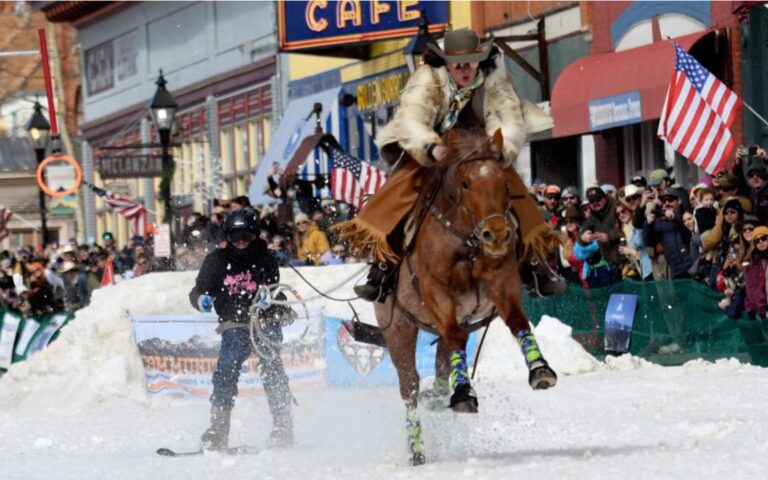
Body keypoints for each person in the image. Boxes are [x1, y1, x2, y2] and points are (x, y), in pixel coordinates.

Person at [336, 28, 563, 301]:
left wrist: (499, 150)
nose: (465, 67)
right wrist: (431, 147)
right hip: (436, 148)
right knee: (397, 192)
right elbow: (412, 119)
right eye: (458, 63)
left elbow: (509, 119)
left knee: (515, 193)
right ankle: (383, 268)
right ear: (447, 63)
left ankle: (534, 266)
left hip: (480, 148)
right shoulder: (427, 79)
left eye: (471, 60)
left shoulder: (495, 80)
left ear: (480, 59)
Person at [189, 209, 295, 450]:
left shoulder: (265, 258)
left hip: (264, 318)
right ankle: (218, 428)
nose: (241, 242)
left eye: (246, 236)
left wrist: (270, 296)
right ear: (227, 237)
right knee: (226, 368)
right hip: (234, 320)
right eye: (236, 237)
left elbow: (273, 285)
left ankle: (282, 424)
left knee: (272, 367)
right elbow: (197, 291)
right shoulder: (216, 261)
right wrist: (201, 300)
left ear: (255, 236)